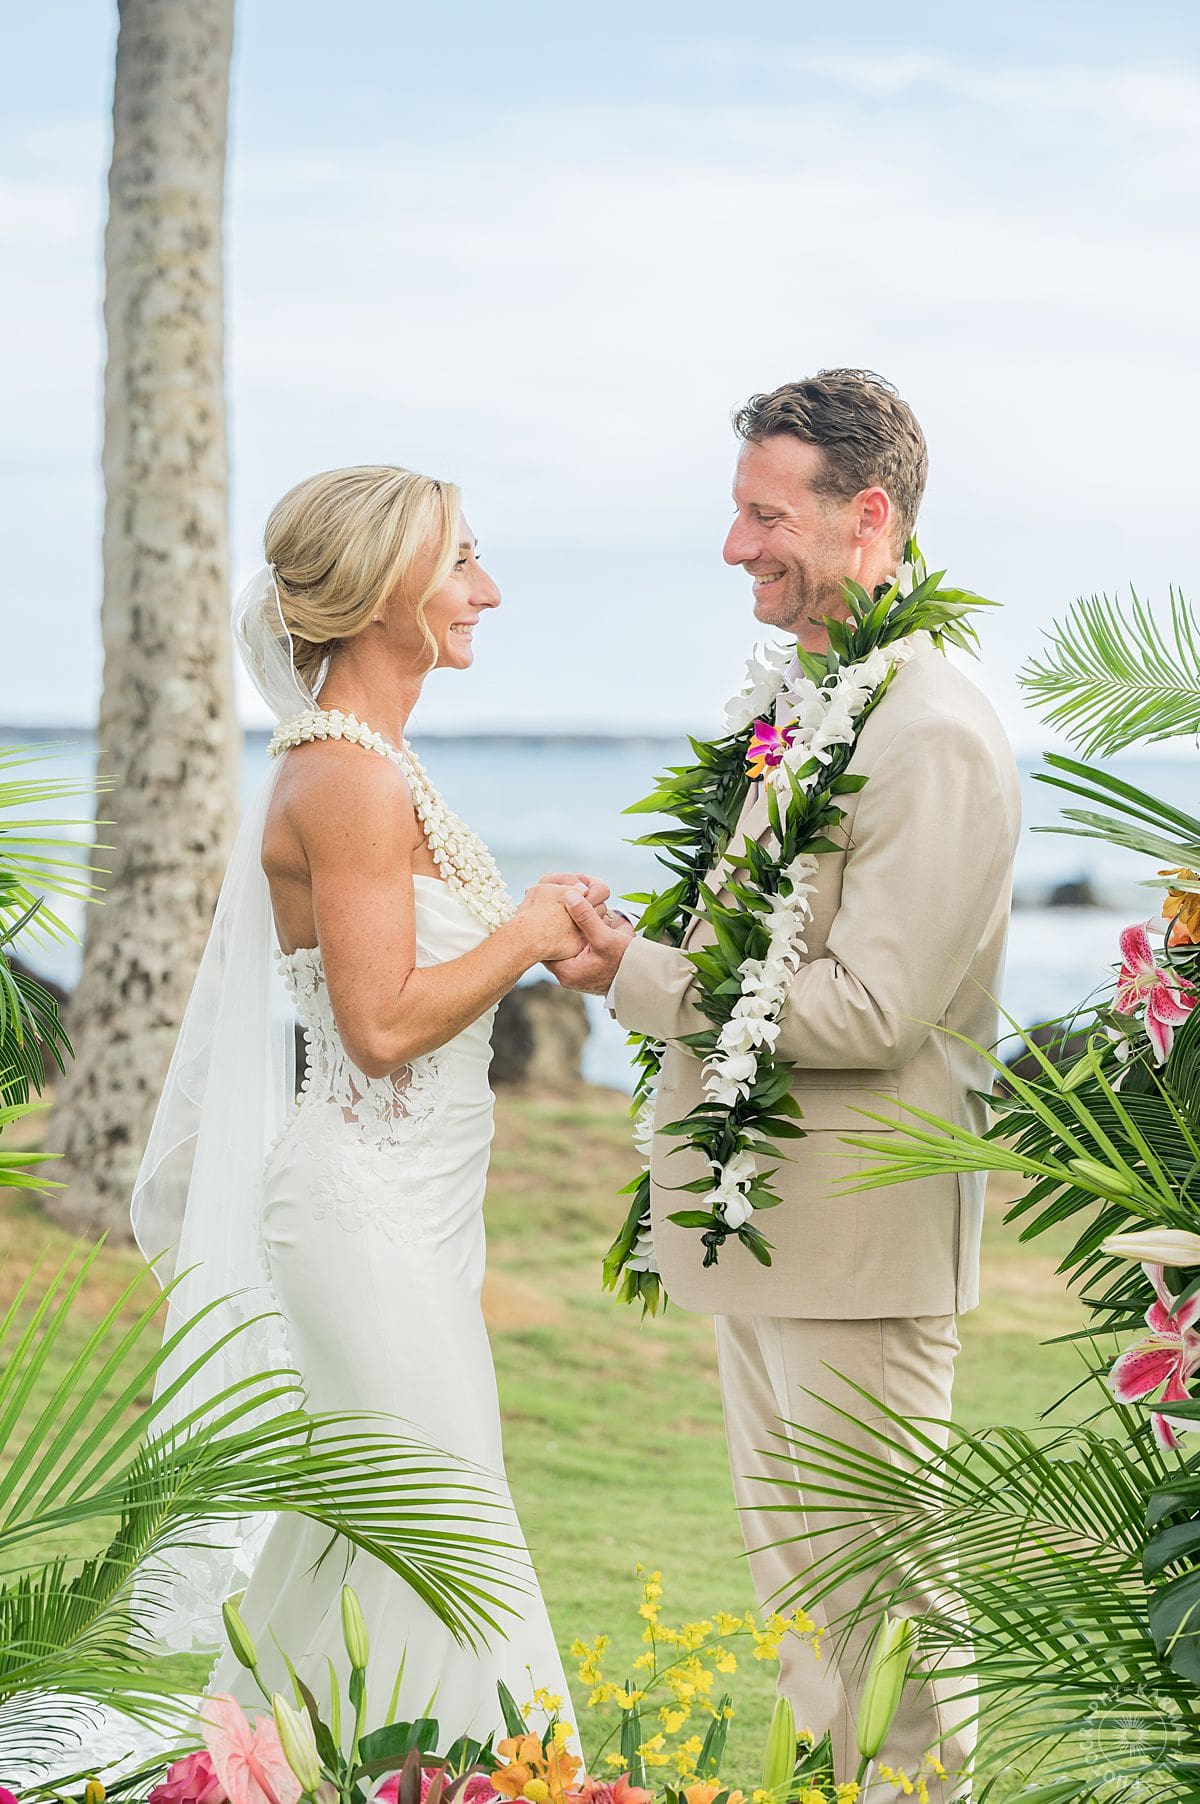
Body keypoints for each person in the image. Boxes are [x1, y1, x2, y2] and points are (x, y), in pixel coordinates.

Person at [549, 370, 1021, 1800]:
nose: (737, 546)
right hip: (770, 1233)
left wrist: (633, 973)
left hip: (858, 1249)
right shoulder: (821, 706)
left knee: (890, 1613)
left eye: (767, 514)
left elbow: (874, 1009)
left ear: (866, 517)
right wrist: (655, 947)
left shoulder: (927, 728)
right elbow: (767, 955)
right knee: (813, 1620)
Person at [131, 465, 590, 1737]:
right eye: (460, 565)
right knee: (455, 1541)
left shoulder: (378, 765)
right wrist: (530, 929)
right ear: (384, 590)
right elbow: (381, 1026)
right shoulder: (347, 777)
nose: (484, 591)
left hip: (418, 1213)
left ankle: (242, 1765)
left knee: (343, 1553)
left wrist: (533, 926)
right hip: (361, 1216)